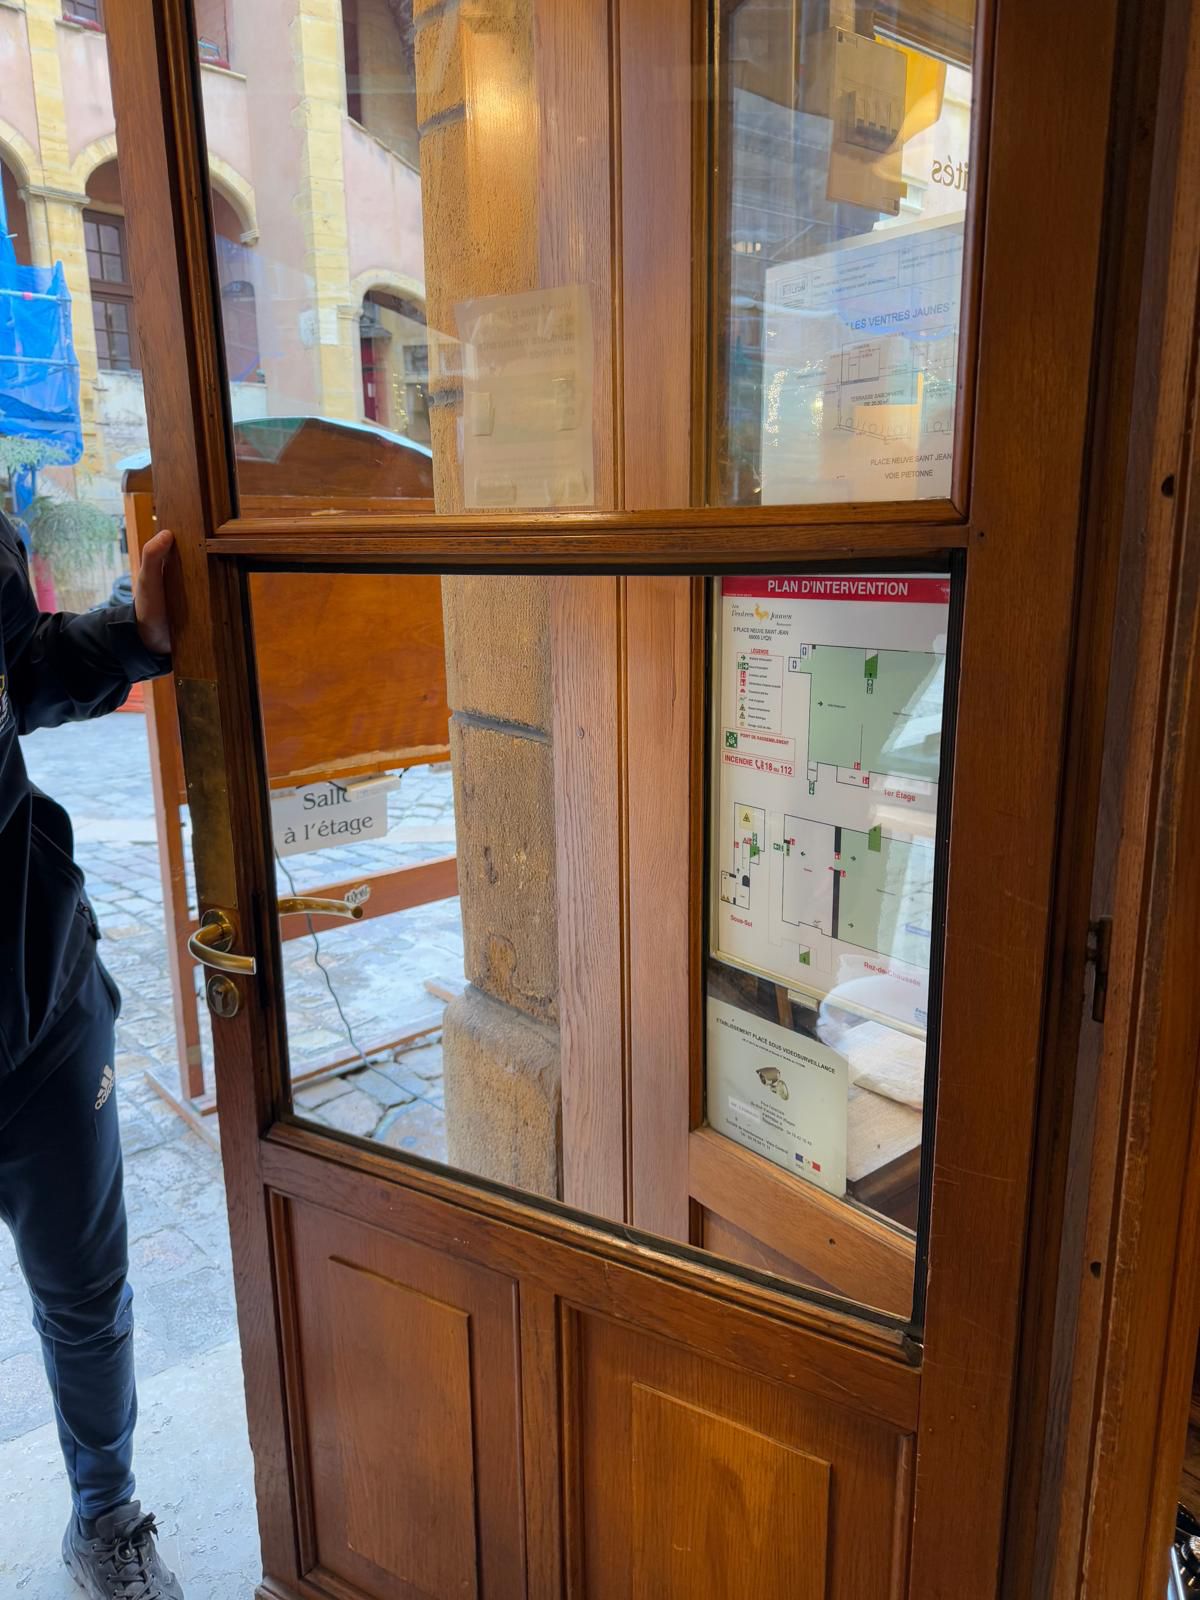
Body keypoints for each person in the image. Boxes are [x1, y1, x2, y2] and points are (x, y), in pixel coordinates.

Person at [0, 508, 184, 1599]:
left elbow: (17, 668)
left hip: (37, 994)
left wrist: (132, 637)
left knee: (86, 1291)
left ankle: (106, 1512)